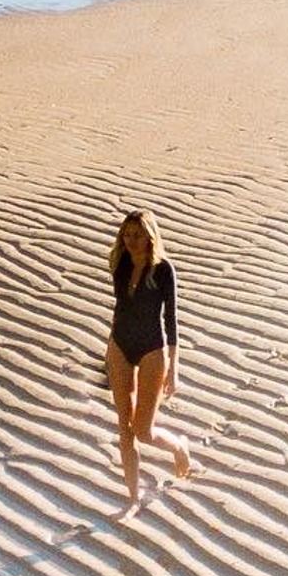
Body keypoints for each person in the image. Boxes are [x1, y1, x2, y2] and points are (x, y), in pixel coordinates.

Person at [106, 208, 192, 505]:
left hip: (152, 350)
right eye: (127, 235)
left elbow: (171, 321)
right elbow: (120, 308)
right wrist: (109, 348)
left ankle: (178, 447)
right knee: (124, 427)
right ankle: (133, 497)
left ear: (150, 237)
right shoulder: (120, 263)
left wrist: (174, 370)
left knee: (142, 431)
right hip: (119, 345)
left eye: (138, 235)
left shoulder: (163, 270)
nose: (131, 241)